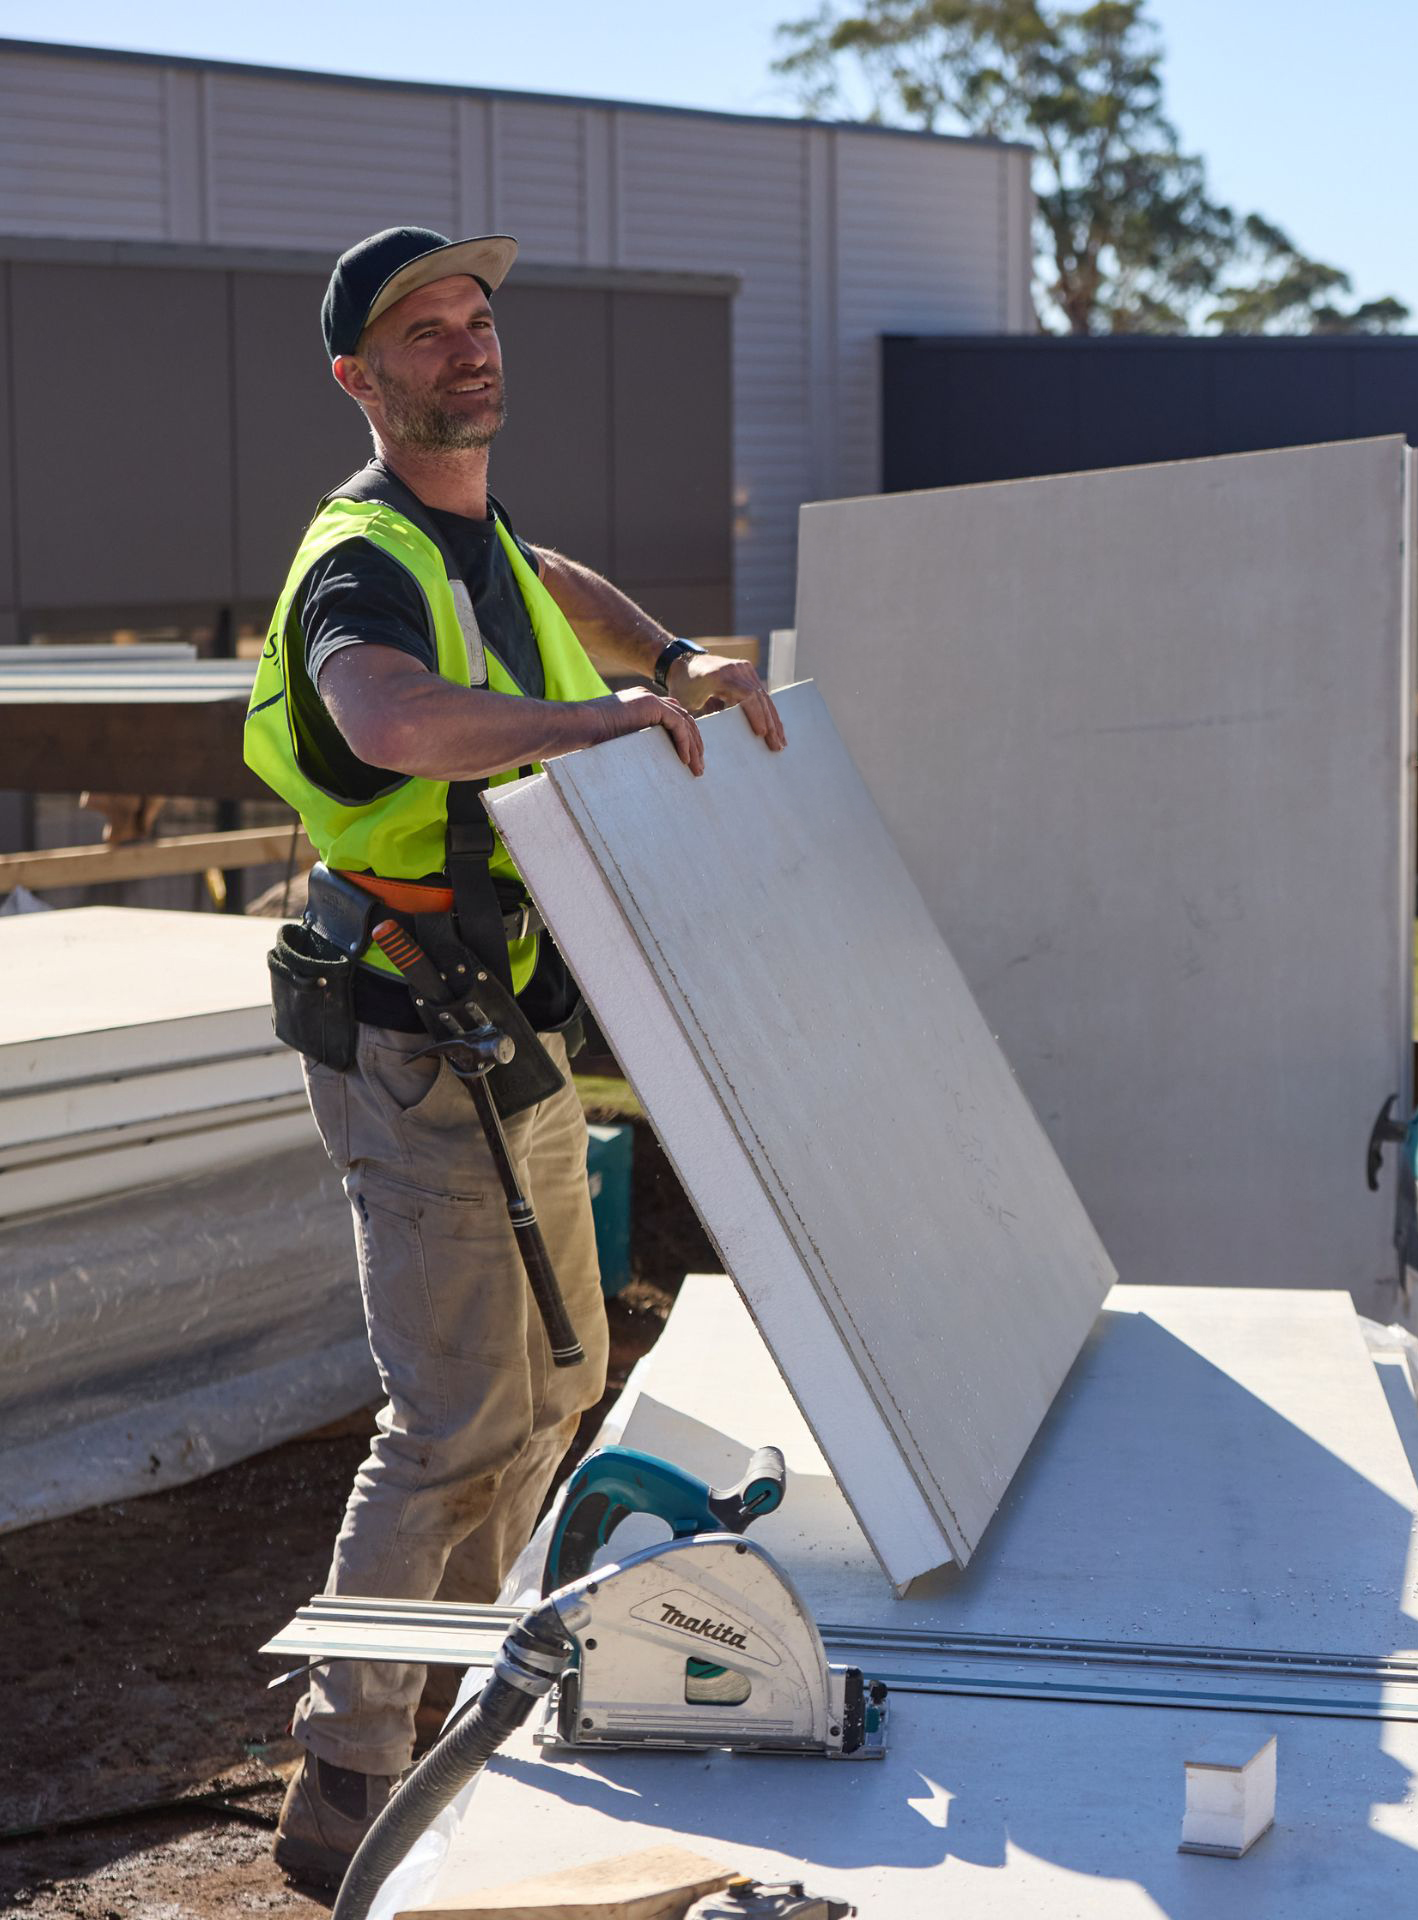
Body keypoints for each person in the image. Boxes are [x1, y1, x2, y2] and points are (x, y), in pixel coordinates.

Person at [243, 227, 787, 1887]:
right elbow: (388, 719)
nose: (467, 349)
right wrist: (601, 725)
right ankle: (345, 1780)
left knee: (551, 1381)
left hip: (512, 1026)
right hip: (411, 1035)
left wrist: (672, 658)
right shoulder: (361, 559)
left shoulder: (476, 539)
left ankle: (462, 1698)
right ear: (361, 377)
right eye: (425, 332)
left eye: (478, 322)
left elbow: (564, 590)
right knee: (456, 1409)